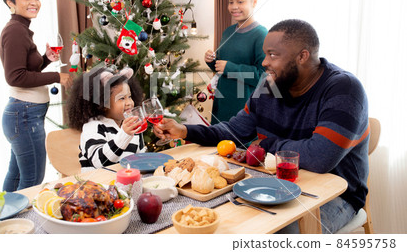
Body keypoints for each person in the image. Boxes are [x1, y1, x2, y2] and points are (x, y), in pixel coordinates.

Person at [155, 19, 369, 234]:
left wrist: (267, 144)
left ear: (302, 56)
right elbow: (234, 131)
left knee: (275, 235)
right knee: (222, 226)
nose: (265, 62)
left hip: (333, 197)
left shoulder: (344, 89)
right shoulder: (269, 85)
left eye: (273, 55)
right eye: (265, 54)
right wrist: (185, 130)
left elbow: (320, 157)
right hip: (275, 185)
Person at [0, 0, 72, 191]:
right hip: (24, 115)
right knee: (32, 181)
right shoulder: (15, 31)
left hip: (23, 114)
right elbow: (15, 77)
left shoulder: (20, 29)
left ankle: (5, 221)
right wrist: (57, 76)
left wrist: (45, 60)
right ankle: (18, 224)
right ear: (10, 3)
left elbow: (27, 71)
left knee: (16, 176)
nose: (34, 2)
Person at [204, 0, 268, 124]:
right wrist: (211, 61)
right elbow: (221, 67)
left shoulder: (261, 35)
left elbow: (264, 77)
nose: (234, 7)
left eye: (240, 1)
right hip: (221, 106)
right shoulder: (228, 32)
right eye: (230, 2)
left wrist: (230, 68)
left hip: (245, 111)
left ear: (254, 2)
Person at [67, 66, 146, 171]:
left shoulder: (131, 126)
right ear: (102, 104)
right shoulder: (93, 127)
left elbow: (139, 157)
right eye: (121, 98)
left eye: (130, 96)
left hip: (125, 183)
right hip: (98, 184)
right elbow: (99, 162)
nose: (129, 103)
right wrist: (124, 135)